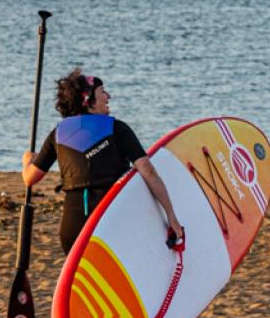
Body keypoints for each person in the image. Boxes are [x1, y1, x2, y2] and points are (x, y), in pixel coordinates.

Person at [21, 68, 184, 255]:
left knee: (82, 282)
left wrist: (27, 160)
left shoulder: (58, 133)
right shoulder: (117, 128)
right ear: (87, 100)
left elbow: (30, 178)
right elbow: (147, 171)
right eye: (102, 92)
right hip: (111, 219)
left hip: (73, 226)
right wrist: (171, 215)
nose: (108, 96)